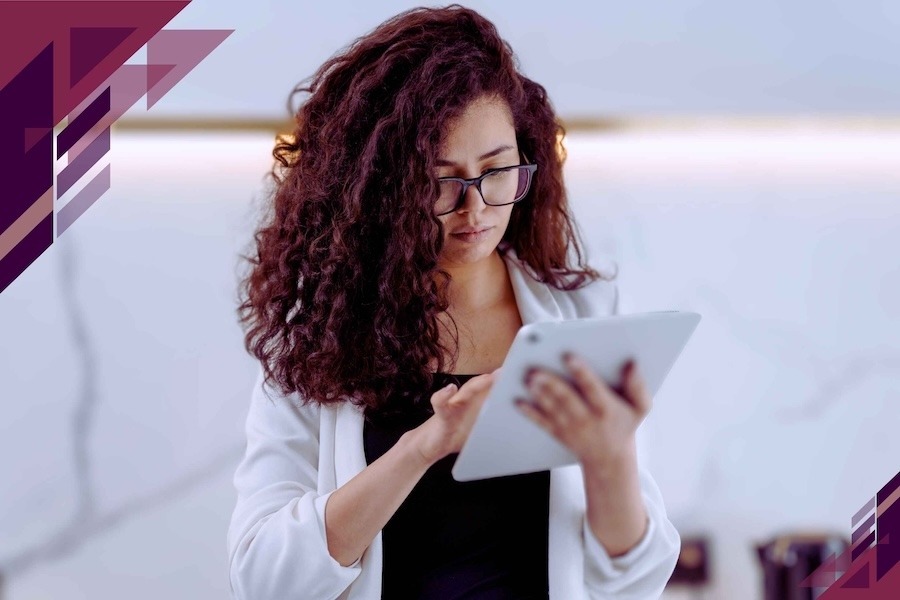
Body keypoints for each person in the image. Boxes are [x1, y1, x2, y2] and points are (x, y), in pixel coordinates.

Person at [228, 4, 680, 599]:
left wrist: (611, 455)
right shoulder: (316, 336)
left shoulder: (585, 314)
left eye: (497, 171)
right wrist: (425, 445)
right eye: (441, 182)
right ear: (380, 189)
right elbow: (263, 579)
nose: (477, 210)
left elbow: (635, 578)